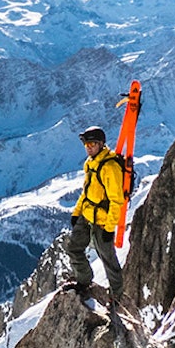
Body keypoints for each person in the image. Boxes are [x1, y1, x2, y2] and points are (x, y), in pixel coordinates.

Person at [65, 125, 125, 305]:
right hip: (87, 214)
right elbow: (86, 193)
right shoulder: (91, 163)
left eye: (92, 143)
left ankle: (117, 296)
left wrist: (109, 227)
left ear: (100, 144)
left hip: (102, 220)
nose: (88, 147)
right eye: (86, 144)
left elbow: (117, 200)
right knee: (73, 248)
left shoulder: (110, 167)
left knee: (108, 259)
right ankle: (84, 281)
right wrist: (77, 213)